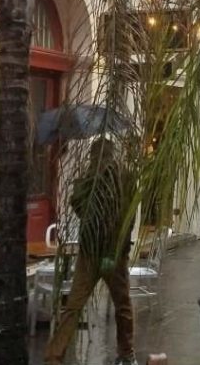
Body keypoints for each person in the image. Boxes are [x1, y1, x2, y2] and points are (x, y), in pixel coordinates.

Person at [45, 135, 137, 365]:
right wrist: (86, 182)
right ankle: (53, 356)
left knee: (122, 306)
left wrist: (117, 251)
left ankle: (126, 352)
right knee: (74, 305)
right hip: (90, 252)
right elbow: (78, 206)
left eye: (97, 155)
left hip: (112, 254)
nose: (95, 160)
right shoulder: (91, 178)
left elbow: (127, 219)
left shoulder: (124, 178)